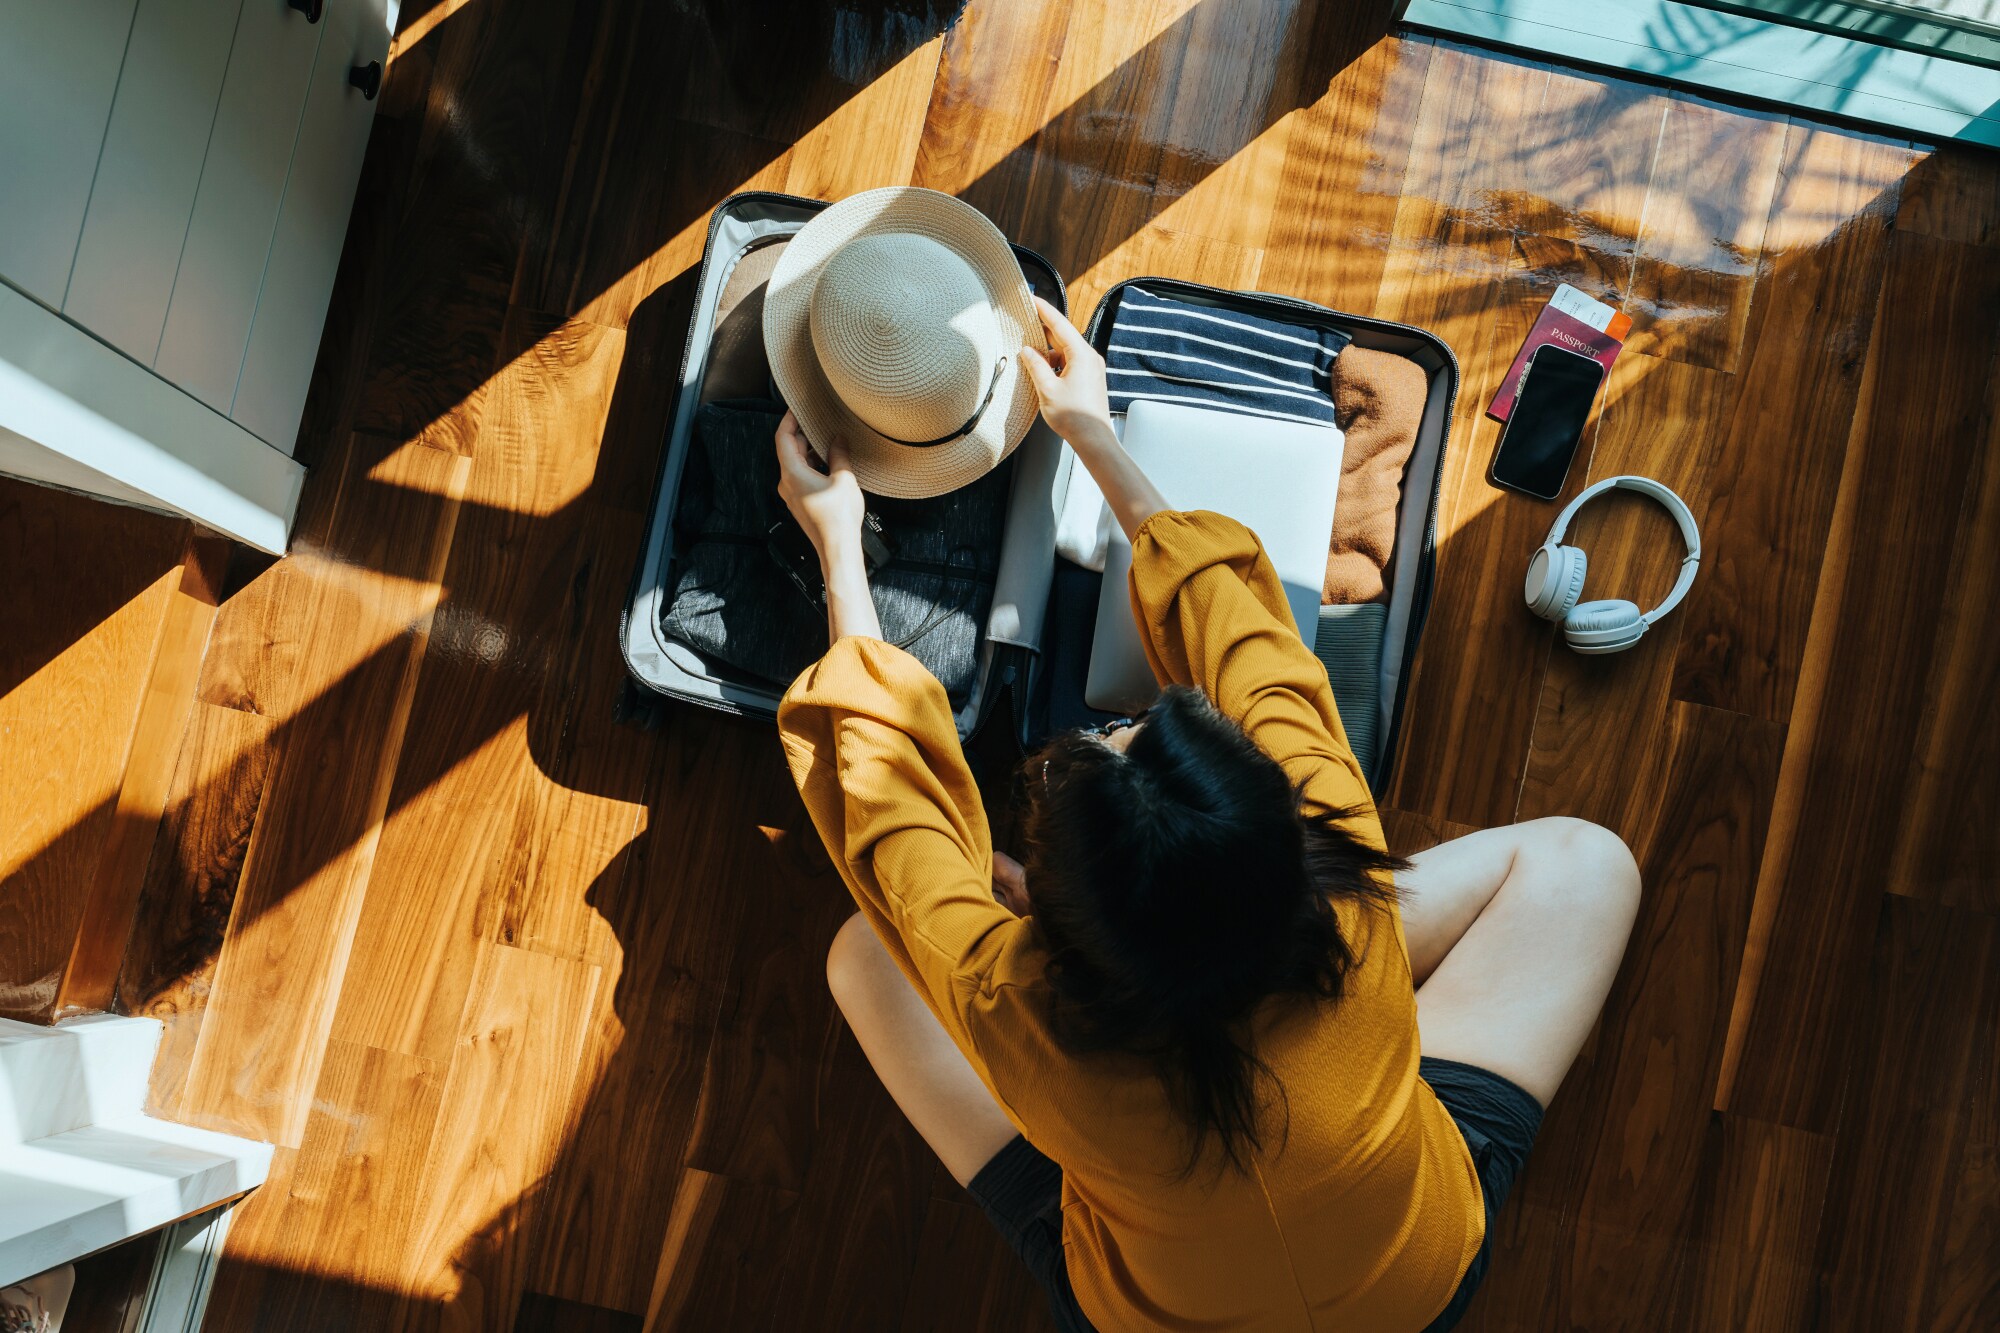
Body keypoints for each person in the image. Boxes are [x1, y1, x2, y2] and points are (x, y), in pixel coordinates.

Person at [773, 295, 1641, 1332]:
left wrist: (838, 545)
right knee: (1589, 863)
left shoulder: (1017, 1013)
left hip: (1151, 1305)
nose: (1121, 722)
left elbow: (890, 818)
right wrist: (1094, 435)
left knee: (867, 956)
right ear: (1288, 841)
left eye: (1114, 733)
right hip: (1412, 1283)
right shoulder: (1339, 843)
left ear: (1054, 948)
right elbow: (1245, 636)